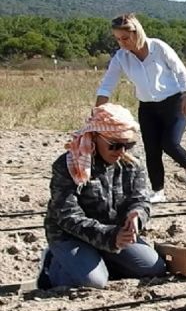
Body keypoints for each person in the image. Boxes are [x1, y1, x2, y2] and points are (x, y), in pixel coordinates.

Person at [40, 104, 166, 289]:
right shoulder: (68, 165)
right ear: (95, 137)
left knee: (154, 268)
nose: (121, 151)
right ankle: (52, 264)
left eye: (128, 145)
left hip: (115, 235)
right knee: (93, 282)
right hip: (72, 236)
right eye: (114, 145)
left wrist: (137, 216)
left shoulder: (133, 164)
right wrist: (109, 236)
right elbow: (67, 216)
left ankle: (98, 261)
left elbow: (141, 199)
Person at [96, 13, 186, 203]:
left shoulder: (158, 47)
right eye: (118, 39)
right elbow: (107, 84)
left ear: (136, 32)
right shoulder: (121, 57)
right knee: (152, 150)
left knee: (170, 143)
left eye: (125, 38)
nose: (122, 43)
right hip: (147, 107)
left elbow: (180, 71)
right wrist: (98, 110)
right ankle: (158, 191)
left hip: (174, 102)